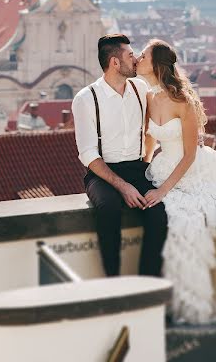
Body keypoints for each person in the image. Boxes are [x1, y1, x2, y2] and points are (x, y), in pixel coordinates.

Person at [136, 39, 216, 324]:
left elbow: (191, 154)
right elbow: (150, 140)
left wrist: (163, 190)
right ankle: (168, 299)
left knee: (184, 223)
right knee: (166, 221)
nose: (138, 59)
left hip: (190, 170)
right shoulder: (149, 97)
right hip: (162, 167)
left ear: (156, 65)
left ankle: (188, 301)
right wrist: (142, 169)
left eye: (143, 56)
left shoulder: (183, 102)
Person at [71, 34, 168, 278]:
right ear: (115, 62)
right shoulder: (86, 98)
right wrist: (123, 187)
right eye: (130, 55)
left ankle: (149, 281)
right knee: (108, 208)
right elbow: (88, 153)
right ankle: (113, 281)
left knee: (159, 213)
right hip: (101, 173)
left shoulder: (140, 88)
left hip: (137, 168)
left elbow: (151, 128)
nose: (135, 59)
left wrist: (144, 163)